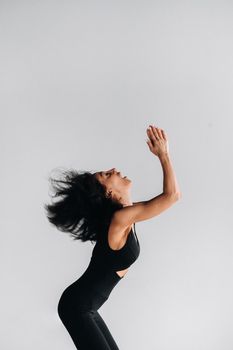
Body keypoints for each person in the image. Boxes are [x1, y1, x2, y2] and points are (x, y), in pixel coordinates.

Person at [44, 124, 181, 349]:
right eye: (107, 175)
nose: (114, 169)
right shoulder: (120, 220)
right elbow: (172, 196)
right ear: (108, 193)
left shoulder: (125, 216)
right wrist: (163, 155)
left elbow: (170, 197)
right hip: (77, 307)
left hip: (86, 307)